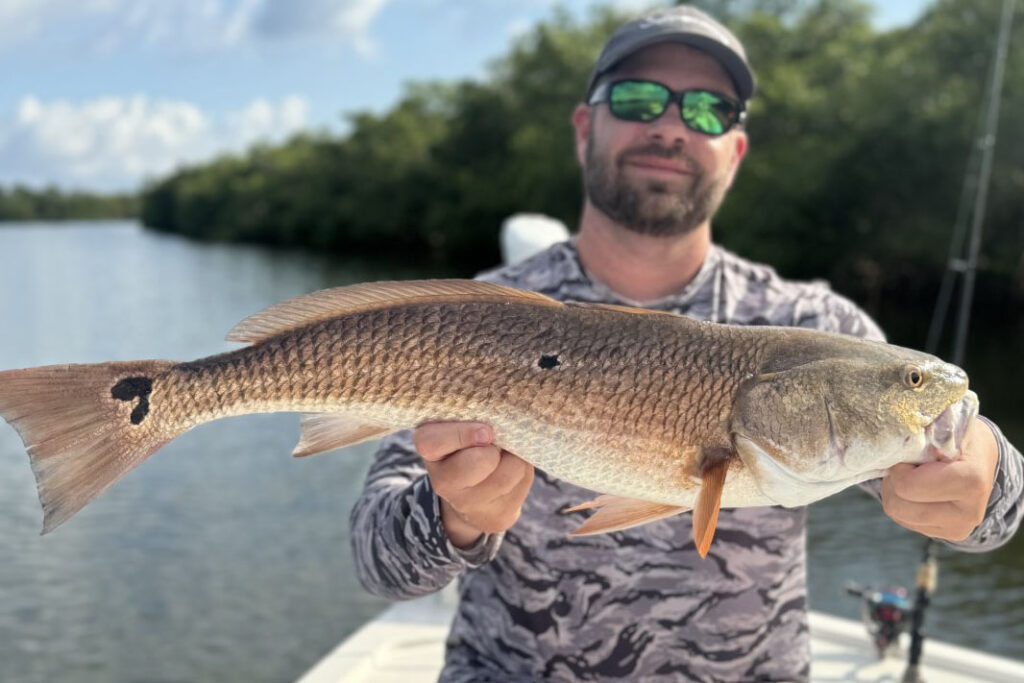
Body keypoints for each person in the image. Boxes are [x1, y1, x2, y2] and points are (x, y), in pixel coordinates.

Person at [349, 5, 1023, 681]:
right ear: (586, 128)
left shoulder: (815, 329)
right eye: (639, 99)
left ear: (735, 151)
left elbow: (996, 515)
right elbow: (377, 559)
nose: (670, 126)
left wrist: (987, 480)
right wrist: (454, 515)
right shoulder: (474, 320)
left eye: (708, 110)